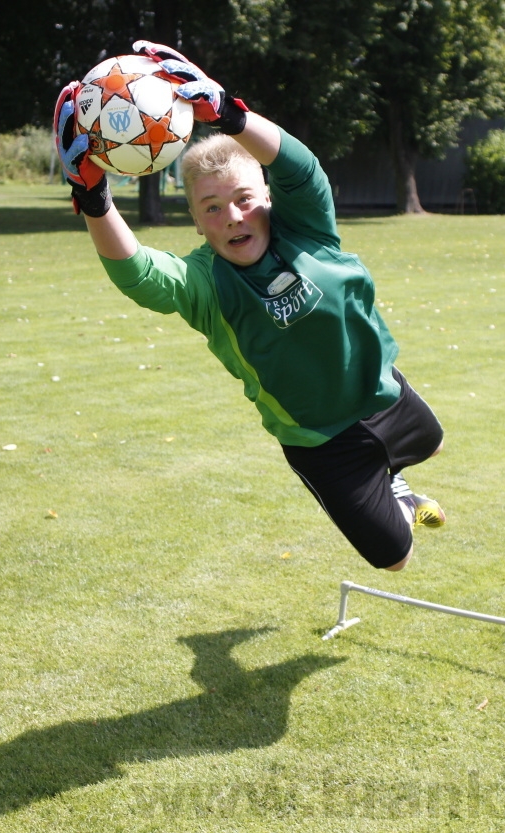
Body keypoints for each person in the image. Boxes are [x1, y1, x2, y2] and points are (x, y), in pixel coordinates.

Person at [54, 41, 445, 571]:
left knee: (435, 444)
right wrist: (94, 200)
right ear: (194, 221)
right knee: (395, 559)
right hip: (321, 442)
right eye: (211, 209)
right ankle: (398, 497)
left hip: (383, 394)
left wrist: (228, 112)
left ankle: (393, 473)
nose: (233, 217)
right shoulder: (204, 283)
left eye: (243, 199)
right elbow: (138, 274)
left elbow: (300, 167)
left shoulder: (305, 225)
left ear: (266, 195)